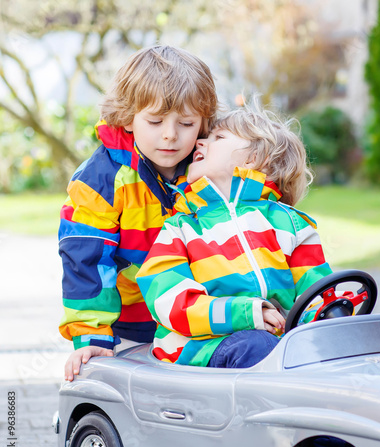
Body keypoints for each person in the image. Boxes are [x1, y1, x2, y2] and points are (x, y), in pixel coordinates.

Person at [60, 45, 218, 381]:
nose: (170, 135)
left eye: (187, 123)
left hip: (204, 315)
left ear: (204, 124)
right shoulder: (99, 182)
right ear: (128, 117)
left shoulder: (213, 168)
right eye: (156, 120)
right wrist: (92, 336)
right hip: (130, 325)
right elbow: (86, 260)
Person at [136, 104, 333, 368]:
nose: (200, 144)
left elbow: (317, 293)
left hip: (276, 348)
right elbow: (168, 301)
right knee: (257, 346)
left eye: (217, 138)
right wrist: (245, 313)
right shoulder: (180, 229)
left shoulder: (291, 225)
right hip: (200, 350)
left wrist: (330, 316)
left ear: (251, 159)